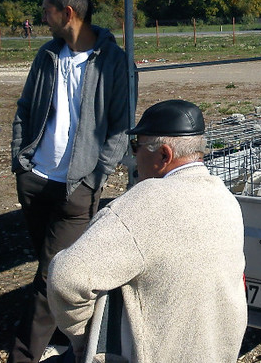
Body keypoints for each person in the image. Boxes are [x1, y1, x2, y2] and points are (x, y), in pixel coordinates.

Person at [48, 100, 247, 363]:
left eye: (136, 147)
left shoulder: (143, 203)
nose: (132, 158)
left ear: (164, 155)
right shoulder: (224, 197)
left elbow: (66, 276)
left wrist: (82, 338)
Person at [10, 0, 131, 363]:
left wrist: (94, 179)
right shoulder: (47, 54)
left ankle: (23, 356)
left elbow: (121, 128)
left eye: (46, 10)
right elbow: (24, 109)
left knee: (50, 279)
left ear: (68, 13)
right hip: (34, 181)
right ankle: (73, 342)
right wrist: (20, 161)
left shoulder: (115, 63)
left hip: (75, 189)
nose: (41, 17)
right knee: (50, 270)